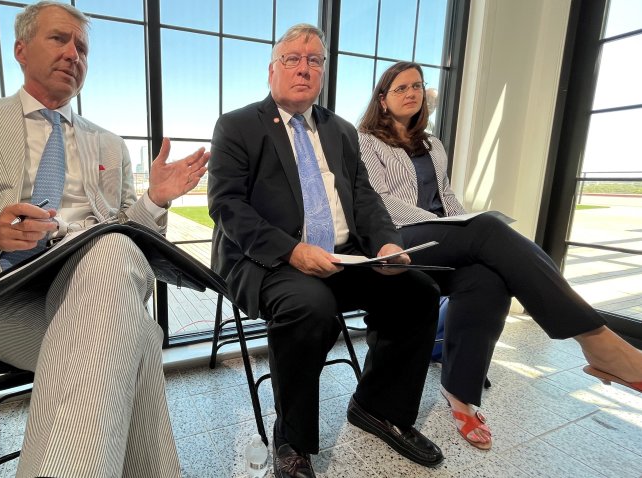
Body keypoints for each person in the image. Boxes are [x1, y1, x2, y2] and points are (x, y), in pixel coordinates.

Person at [0, 2, 208, 477]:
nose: (74, 53)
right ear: (20, 50)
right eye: (59, 39)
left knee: (111, 247)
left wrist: (155, 201)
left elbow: (133, 238)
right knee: (140, 336)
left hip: (94, 285)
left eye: (83, 47)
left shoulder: (109, 144)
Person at [357, 61, 642, 451]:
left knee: (487, 277)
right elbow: (380, 201)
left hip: (442, 233)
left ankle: (460, 393)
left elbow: (448, 197)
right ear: (383, 100)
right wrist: (457, 227)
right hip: (398, 236)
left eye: (418, 86)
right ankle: (597, 339)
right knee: (487, 229)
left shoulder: (433, 145)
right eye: (401, 87)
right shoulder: (365, 141)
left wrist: (460, 219)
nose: (412, 93)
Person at [208, 25, 445, 477]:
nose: (304, 68)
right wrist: (292, 252)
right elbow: (226, 205)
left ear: (323, 71)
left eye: (314, 60)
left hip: (345, 255)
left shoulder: (339, 130)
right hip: (268, 258)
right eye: (293, 59)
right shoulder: (238, 125)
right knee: (309, 306)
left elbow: (363, 198)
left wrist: (386, 243)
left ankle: (380, 408)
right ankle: (292, 441)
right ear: (272, 70)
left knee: (418, 290)